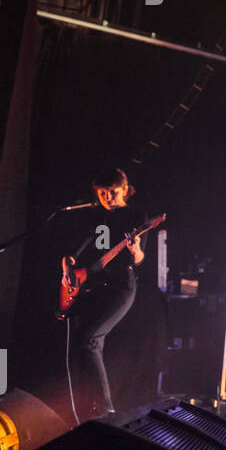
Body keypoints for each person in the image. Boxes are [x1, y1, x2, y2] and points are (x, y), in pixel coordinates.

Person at [62, 168, 146, 419]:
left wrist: (135, 250)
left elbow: (140, 259)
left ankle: (106, 410)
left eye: (112, 192)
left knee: (88, 339)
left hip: (121, 285)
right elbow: (73, 254)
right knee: (86, 345)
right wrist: (67, 269)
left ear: (124, 190)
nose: (107, 197)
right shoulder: (96, 218)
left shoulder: (136, 216)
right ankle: (89, 412)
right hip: (94, 284)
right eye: (102, 193)